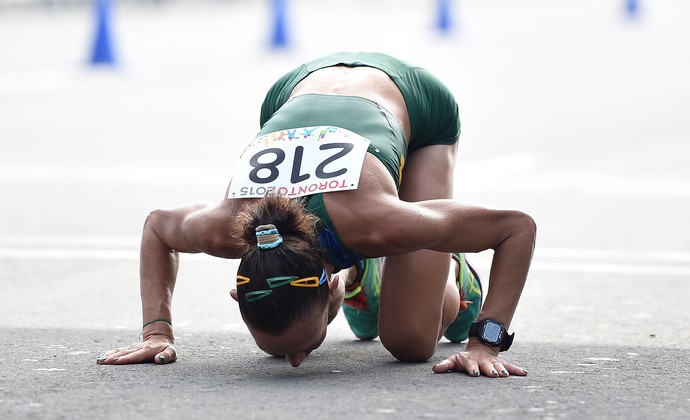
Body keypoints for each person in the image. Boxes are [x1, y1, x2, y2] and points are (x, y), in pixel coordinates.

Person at [96, 52, 536, 377]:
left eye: (307, 347)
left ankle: (452, 271)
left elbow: (515, 228)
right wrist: (157, 332)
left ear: (328, 287)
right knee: (286, 320)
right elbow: (157, 225)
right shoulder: (223, 227)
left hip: (413, 101)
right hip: (293, 90)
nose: (295, 361)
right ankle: (364, 274)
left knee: (411, 342)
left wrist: (485, 342)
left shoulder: (377, 223)